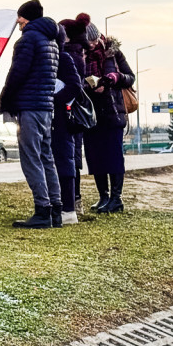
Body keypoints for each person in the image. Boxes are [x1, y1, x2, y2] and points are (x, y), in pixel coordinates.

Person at [0, 0, 61, 229]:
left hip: (30, 106)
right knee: (47, 158)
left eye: (21, 18)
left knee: (31, 158)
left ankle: (42, 210)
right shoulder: (52, 41)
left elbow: (17, 74)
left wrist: (5, 98)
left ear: (28, 18)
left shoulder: (28, 41)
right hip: (46, 106)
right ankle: (56, 209)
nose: (18, 22)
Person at [77, 14, 135, 213]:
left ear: (99, 37)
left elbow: (130, 77)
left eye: (93, 41)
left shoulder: (113, 53)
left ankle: (116, 198)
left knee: (114, 156)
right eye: (88, 42)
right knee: (95, 157)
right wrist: (89, 84)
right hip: (91, 113)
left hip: (113, 111)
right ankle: (103, 196)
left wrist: (113, 78)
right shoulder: (81, 54)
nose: (91, 45)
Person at [52, 24, 84, 225]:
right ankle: (58, 206)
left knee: (64, 160)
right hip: (53, 116)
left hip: (63, 118)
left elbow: (75, 87)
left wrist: (54, 99)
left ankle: (69, 208)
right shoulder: (53, 57)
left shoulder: (63, 58)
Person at [59, 17, 89, 212]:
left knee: (70, 156)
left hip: (70, 111)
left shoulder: (70, 56)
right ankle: (74, 199)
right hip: (73, 111)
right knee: (72, 156)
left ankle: (73, 200)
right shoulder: (78, 54)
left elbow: (74, 86)